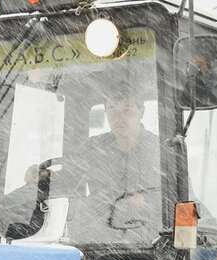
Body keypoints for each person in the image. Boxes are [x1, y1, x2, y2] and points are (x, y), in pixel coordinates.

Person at [64, 81, 161, 243]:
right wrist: (46, 178)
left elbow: (181, 196)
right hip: (100, 241)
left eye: (127, 111)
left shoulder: (159, 150)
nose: (118, 118)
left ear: (141, 111)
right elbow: (69, 177)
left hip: (149, 244)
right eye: (112, 111)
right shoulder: (94, 148)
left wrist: (147, 202)